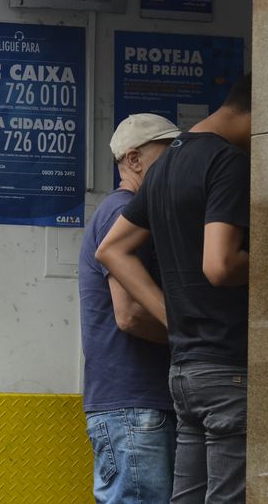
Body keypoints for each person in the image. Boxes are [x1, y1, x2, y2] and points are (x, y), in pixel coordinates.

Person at [98, 75, 251, 502]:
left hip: (184, 371)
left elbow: (113, 251)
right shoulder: (229, 162)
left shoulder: (164, 166)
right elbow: (219, 265)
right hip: (227, 367)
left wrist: (175, 318)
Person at [79, 113, 179, 503]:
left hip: (132, 405)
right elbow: (130, 315)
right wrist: (193, 338)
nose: (175, 163)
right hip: (135, 406)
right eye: (167, 153)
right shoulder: (123, 212)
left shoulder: (124, 211)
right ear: (134, 160)